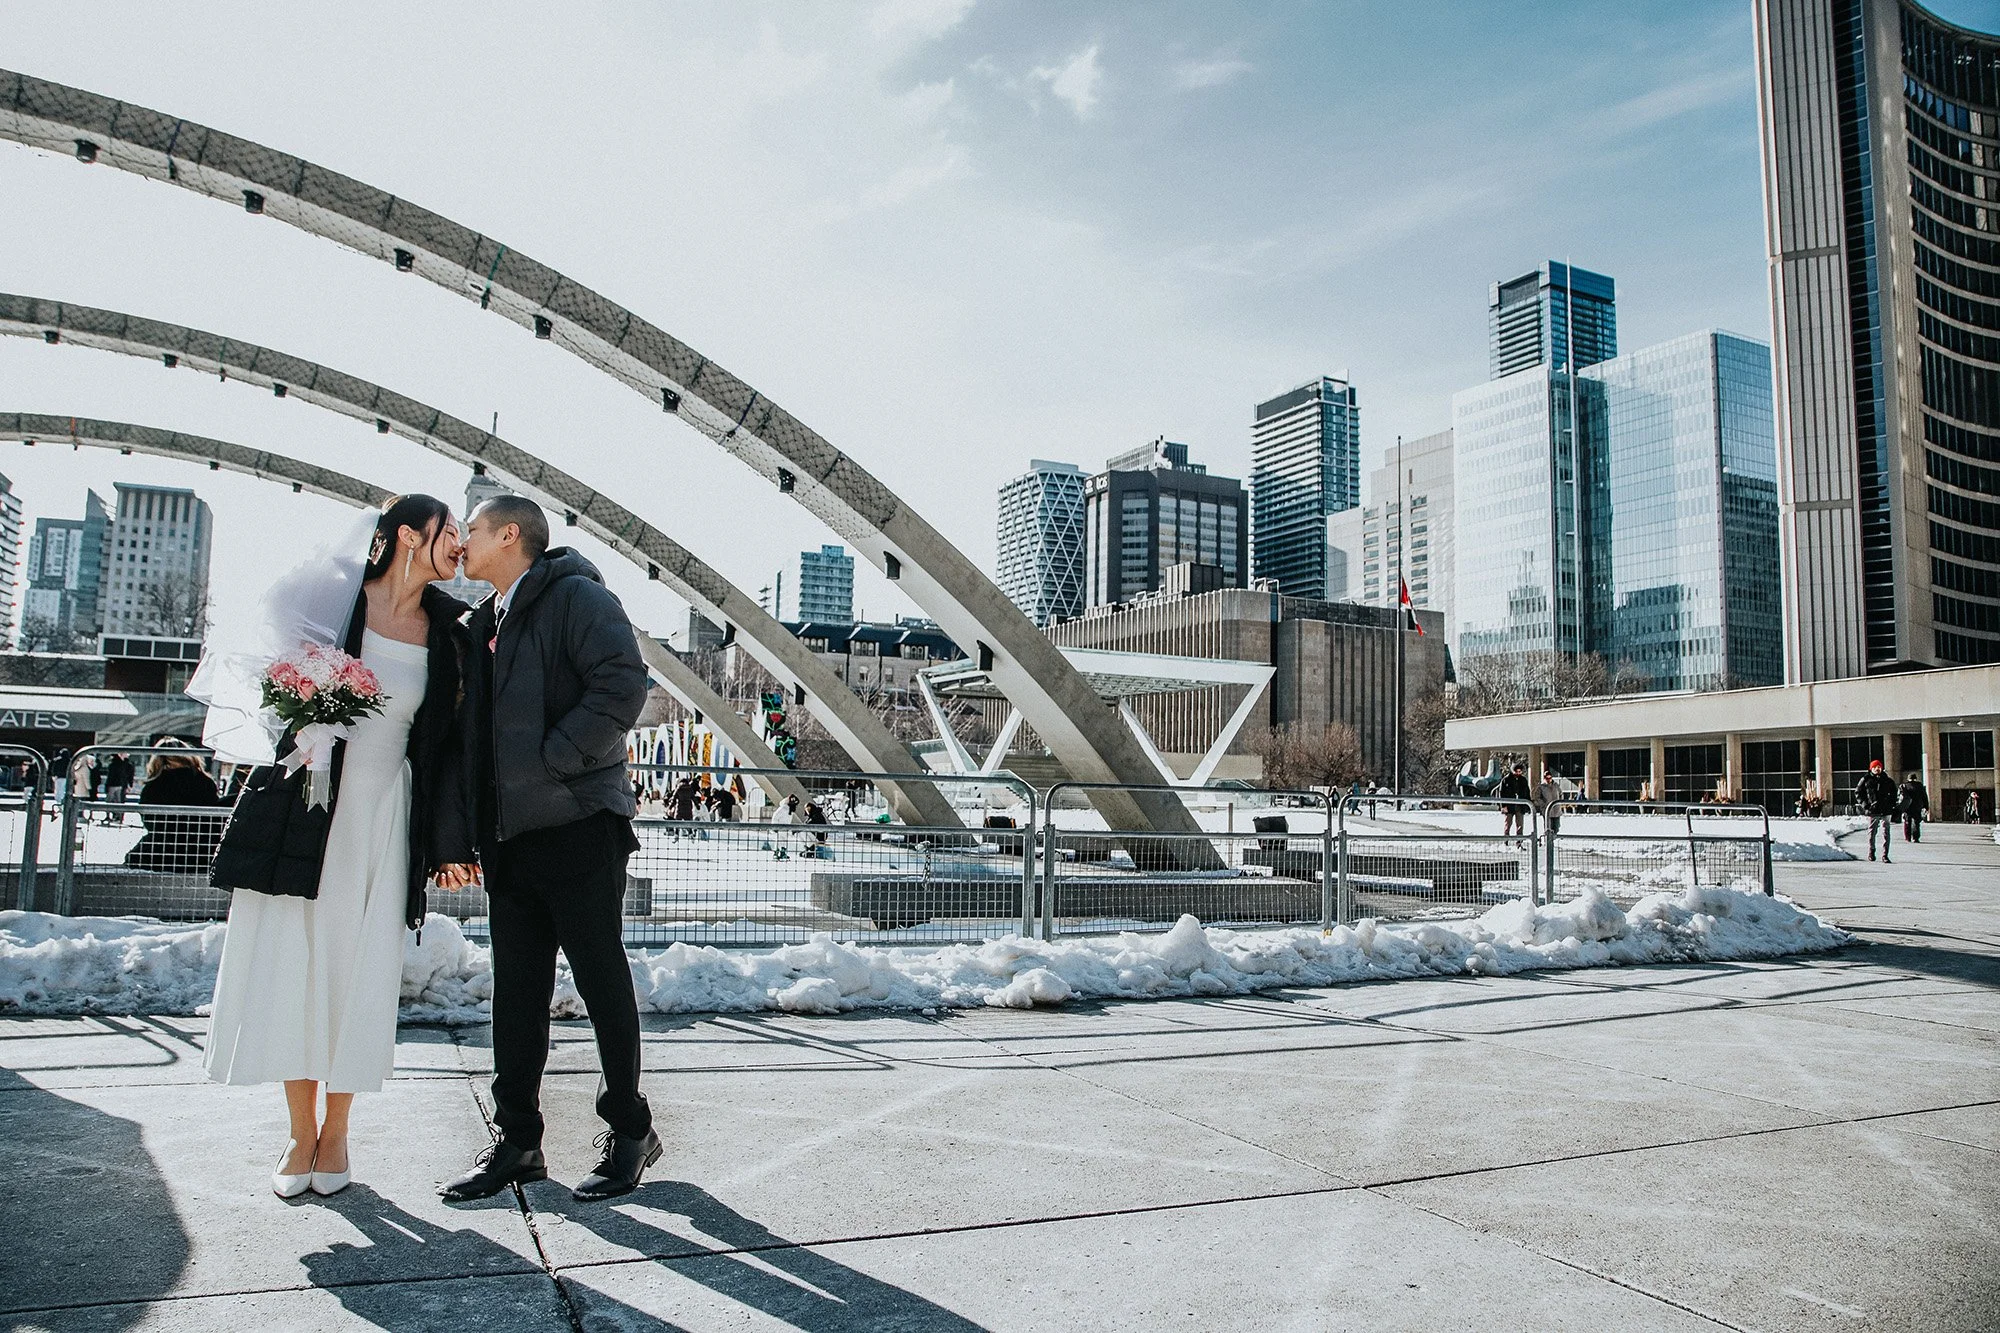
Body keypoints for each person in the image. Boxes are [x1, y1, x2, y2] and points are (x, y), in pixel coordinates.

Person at [200, 495, 474, 1200]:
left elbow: (445, 750)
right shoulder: (332, 605)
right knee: (303, 959)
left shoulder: (451, 632)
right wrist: (302, 708)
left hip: (389, 815)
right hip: (315, 812)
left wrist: (448, 842)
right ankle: (299, 1130)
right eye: (451, 533)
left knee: (363, 970)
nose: (462, 545)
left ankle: (338, 1130)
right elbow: (273, 684)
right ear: (409, 535)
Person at [440, 495, 657, 1205]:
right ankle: (519, 1143)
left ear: (509, 535)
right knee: (518, 994)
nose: (462, 542)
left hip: (579, 824)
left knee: (599, 979)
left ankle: (629, 1131)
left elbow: (623, 685)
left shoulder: (578, 598)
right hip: (512, 837)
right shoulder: (485, 621)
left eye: (470, 529)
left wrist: (556, 760)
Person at [124, 740, 223, 871]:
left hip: (161, 851)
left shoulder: (153, 786)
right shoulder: (205, 782)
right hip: (202, 852)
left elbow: (149, 822)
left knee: (131, 860)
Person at [1855, 759, 1899, 862]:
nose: (1877, 769)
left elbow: (1894, 794)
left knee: (1886, 832)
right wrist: (1866, 805)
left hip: (1886, 810)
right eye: (1875, 767)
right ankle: (1871, 851)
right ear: (1871, 768)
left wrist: (1891, 805)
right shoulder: (1866, 779)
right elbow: (1858, 793)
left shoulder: (1888, 780)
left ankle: (1885, 855)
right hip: (1873, 810)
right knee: (1872, 832)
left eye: (1879, 767)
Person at [1497, 762, 1532, 843]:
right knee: (1508, 824)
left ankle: (1519, 842)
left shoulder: (1523, 780)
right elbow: (1501, 793)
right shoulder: (1506, 780)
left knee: (1520, 825)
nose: (1518, 773)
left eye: (1520, 771)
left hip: (1520, 806)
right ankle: (1506, 840)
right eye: (1517, 771)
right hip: (1509, 806)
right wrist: (1503, 805)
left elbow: (1527, 792)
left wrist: (1528, 805)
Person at [1898, 772, 1930, 844]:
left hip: (1907, 807)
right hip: (1917, 806)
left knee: (1907, 822)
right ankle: (1915, 838)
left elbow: (1900, 797)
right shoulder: (1920, 786)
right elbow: (1924, 797)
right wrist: (1926, 806)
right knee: (1916, 822)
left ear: (1908, 779)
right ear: (1915, 778)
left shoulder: (1904, 786)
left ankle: (1908, 837)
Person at [1532, 767, 1564, 838]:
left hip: (1556, 810)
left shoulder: (1556, 785)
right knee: (1548, 827)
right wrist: (1543, 804)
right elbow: (1537, 797)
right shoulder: (1541, 786)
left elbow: (1561, 794)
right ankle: (1548, 840)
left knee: (1556, 826)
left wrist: (1559, 802)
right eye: (1547, 778)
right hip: (1547, 810)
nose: (1549, 780)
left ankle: (1554, 839)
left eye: (1550, 778)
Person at [104, 751, 136, 821]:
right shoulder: (125, 765)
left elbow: (110, 776)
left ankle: (110, 815)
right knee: (119, 801)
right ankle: (119, 816)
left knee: (109, 801)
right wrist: (130, 785)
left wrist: (106, 786)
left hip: (113, 785)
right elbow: (130, 776)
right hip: (121, 785)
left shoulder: (113, 765)